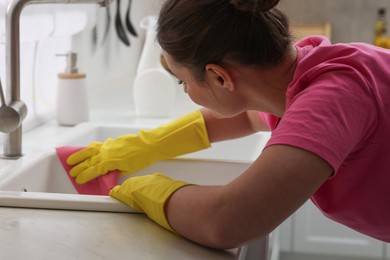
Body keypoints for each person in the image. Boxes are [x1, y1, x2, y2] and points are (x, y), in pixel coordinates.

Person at [67, 0, 390, 249]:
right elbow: (251, 115)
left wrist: (149, 191)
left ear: (220, 76)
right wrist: (149, 143)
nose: (187, 92)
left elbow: (231, 220)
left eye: (183, 83)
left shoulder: (333, 96)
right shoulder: (299, 73)